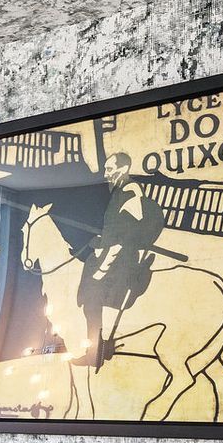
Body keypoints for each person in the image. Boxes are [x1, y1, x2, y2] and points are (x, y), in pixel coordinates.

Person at [76, 153, 166, 367]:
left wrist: (102, 258)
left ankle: (94, 354)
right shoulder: (119, 191)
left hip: (123, 259)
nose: (106, 174)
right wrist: (100, 242)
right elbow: (114, 231)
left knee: (91, 296)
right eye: (105, 169)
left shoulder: (129, 192)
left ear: (123, 169)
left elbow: (125, 233)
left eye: (110, 169)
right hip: (117, 250)